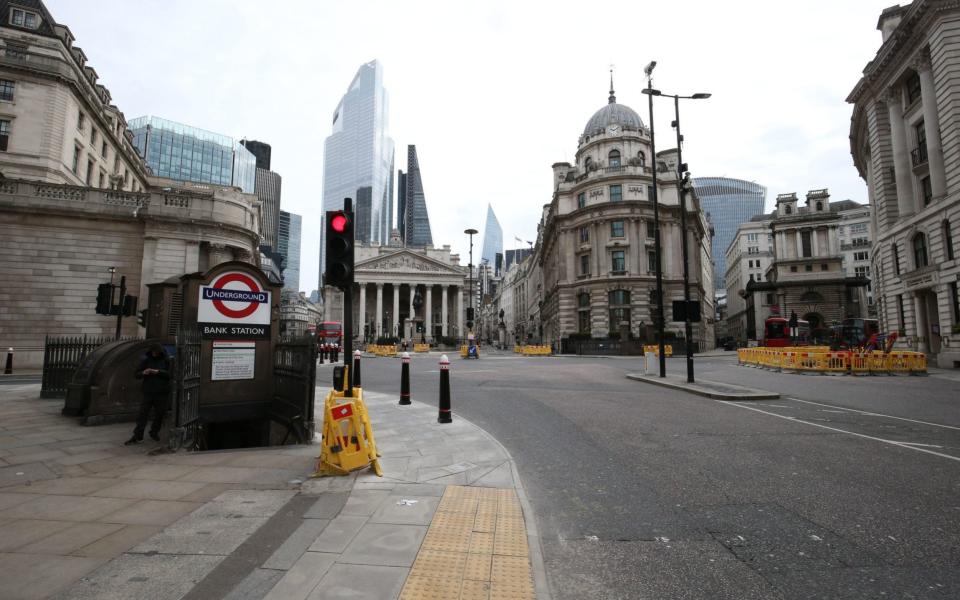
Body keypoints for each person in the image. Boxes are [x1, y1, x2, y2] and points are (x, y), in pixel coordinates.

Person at [126, 344, 171, 445]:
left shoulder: (166, 360)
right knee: (142, 415)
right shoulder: (146, 360)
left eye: (156, 353)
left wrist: (158, 372)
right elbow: (136, 374)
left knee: (160, 414)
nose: (154, 354)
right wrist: (143, 373)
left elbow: (170, 374)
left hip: (162, 392)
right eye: (152, 352)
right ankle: (137, 435)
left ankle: (154, 432)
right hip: (148, 391)